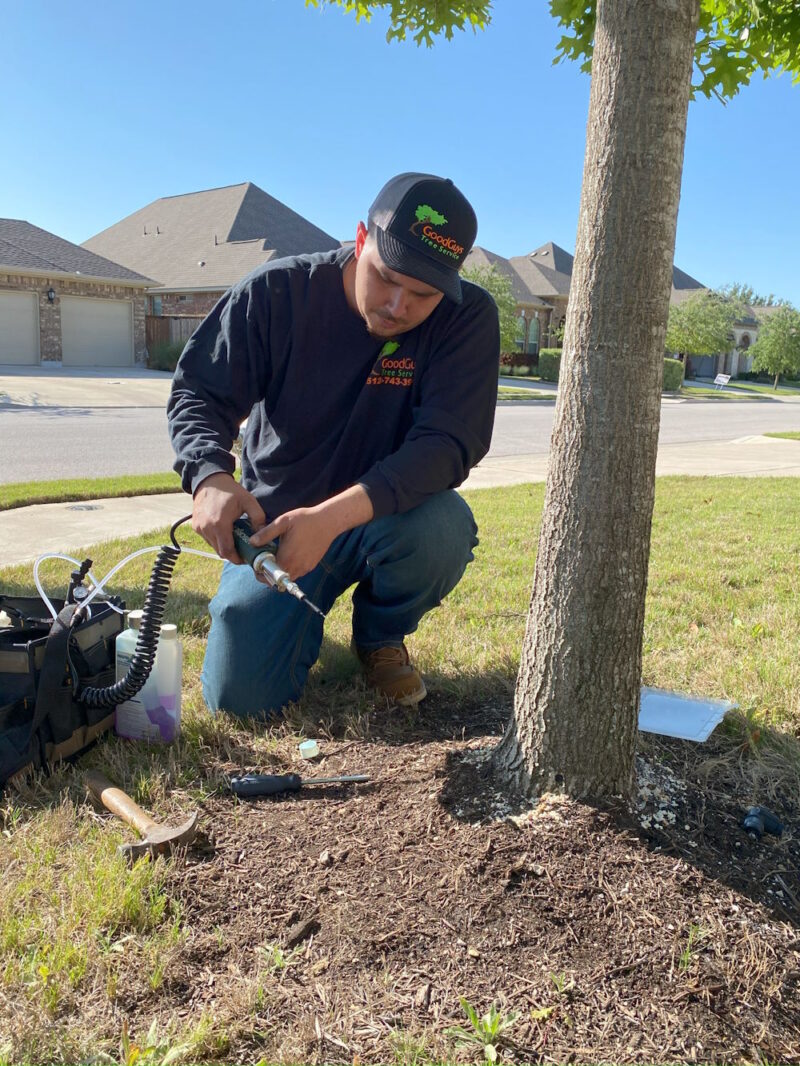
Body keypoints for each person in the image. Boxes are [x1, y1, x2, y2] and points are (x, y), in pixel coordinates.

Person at [167, 172, 500, 719]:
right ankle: (290, 620)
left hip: (387, 517)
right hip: (278, 524)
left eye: (423, 293)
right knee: (239, 699)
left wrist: (332, 517)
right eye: (387, 277)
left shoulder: (466, 319)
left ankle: (380, 637)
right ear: (360, 240)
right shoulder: (278, 293)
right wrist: (209, 475)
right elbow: (200, 390)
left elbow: (450, 442)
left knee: (443, 527)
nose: (398, 305)